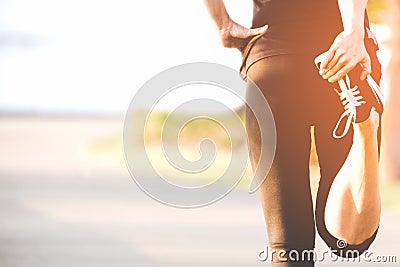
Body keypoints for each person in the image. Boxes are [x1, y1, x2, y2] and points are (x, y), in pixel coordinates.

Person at [203, 0, 383, 266]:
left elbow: (224, 26)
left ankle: (364, 127)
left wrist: (222, 23)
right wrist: (353, 33)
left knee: (289, 249)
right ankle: (365, 128)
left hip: (272, 58)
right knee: (348, 241)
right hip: (343, 61)